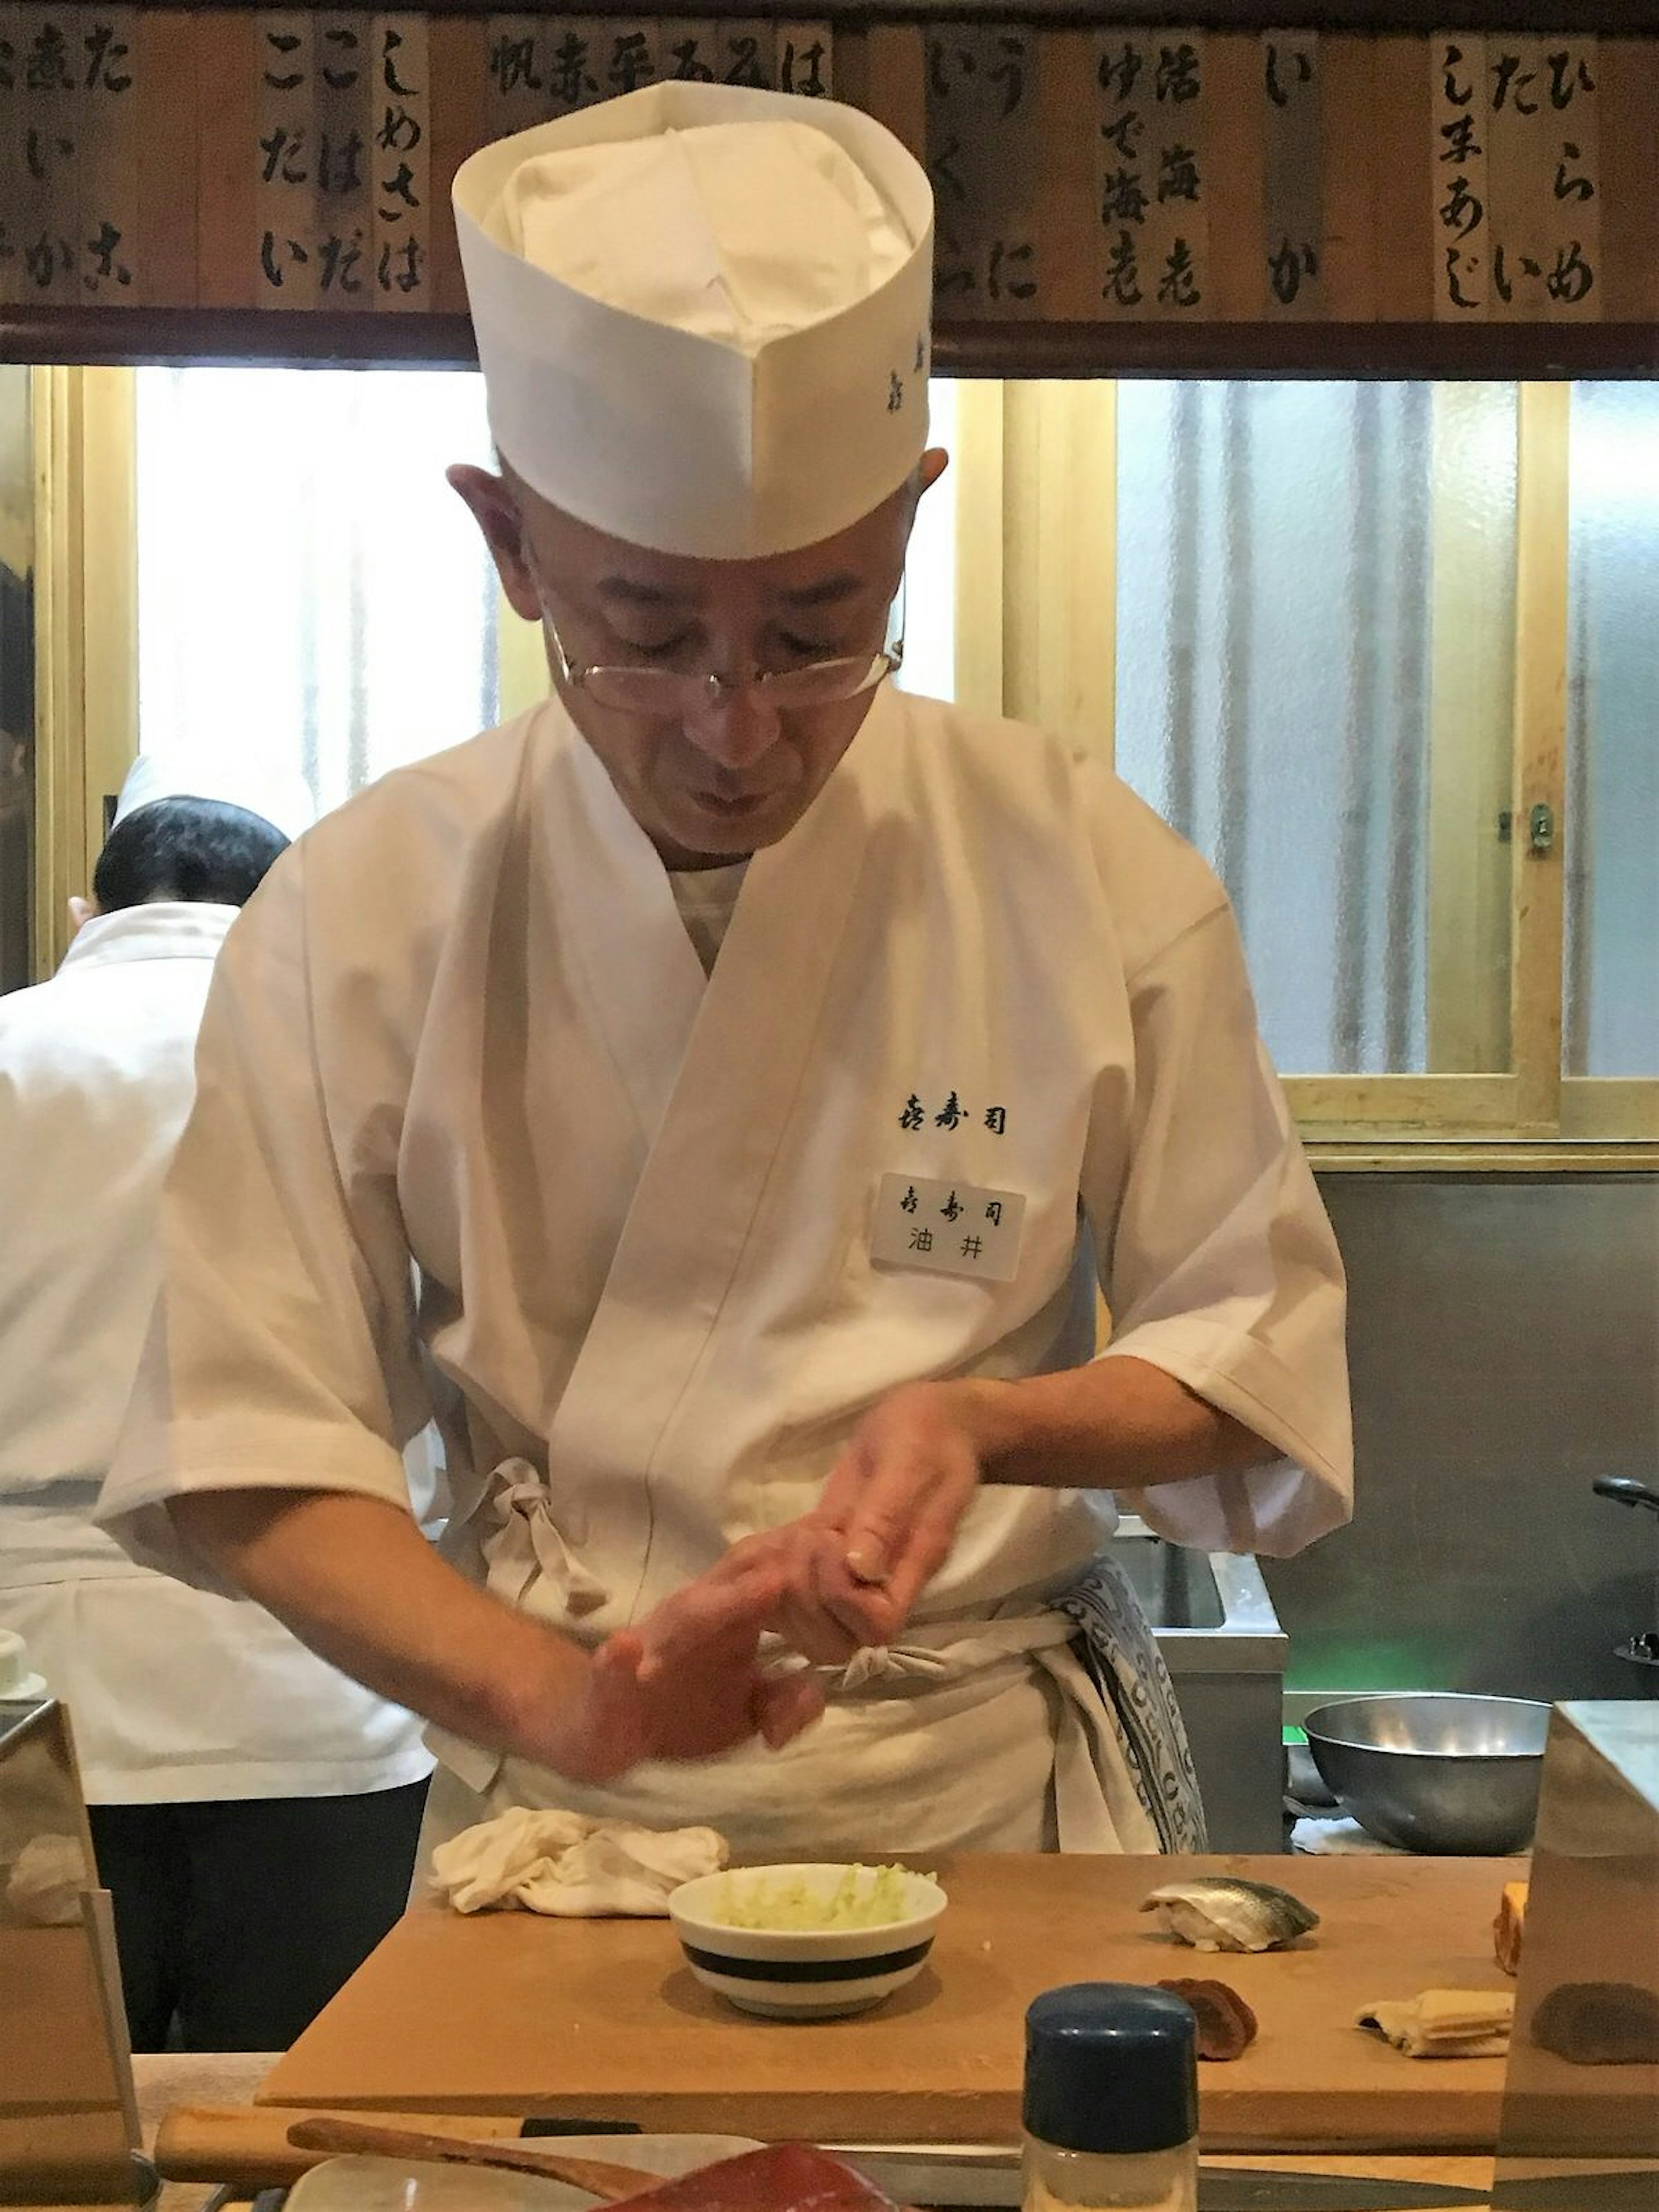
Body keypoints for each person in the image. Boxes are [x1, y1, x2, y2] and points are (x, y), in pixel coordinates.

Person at [101, 84, 1352, 1863]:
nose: (736, 725)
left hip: (987, 1817)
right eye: (650, 631)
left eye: (819, 629)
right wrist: (572, 1704)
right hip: (565, 1823)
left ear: (915, 521)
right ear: (513, 543)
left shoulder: (1081, 865)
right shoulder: (365, 910)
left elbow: (1265, 1349)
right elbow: (245, 1435)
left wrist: (990, 1419)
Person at [0, 762, 432, 2050]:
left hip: (28, 1708)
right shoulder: (365, 1079)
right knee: (307, 2149)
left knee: (48, 2159)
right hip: (321, 1693)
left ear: (89, 917)